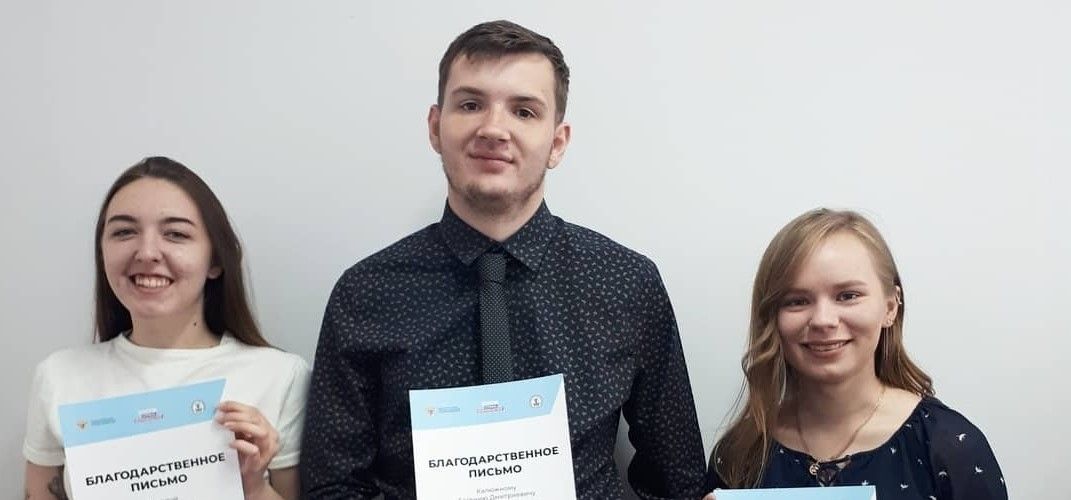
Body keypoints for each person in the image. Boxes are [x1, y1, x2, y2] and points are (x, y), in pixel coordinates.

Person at [301, 20, 707, 500]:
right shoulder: (366, 293)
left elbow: (677, 483)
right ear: (435, 127)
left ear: (557, 142)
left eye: (524, 111)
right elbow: (332, 487)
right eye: (470, 104)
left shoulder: (626, 283)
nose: (494, 129)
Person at [23, 157, 309, 500]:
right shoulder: (59, 375)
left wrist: (254, 486)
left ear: (216, 260)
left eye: (176, 234)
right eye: (124, 232)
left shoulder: (281, 376)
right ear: (102, 253)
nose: (147, 253)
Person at [705, 209, 1007, 499]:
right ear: (772, 316)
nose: (823, 320)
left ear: (890, 307)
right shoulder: (738, 455)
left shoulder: (950, 448)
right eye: (797, 301)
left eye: (847, 296)